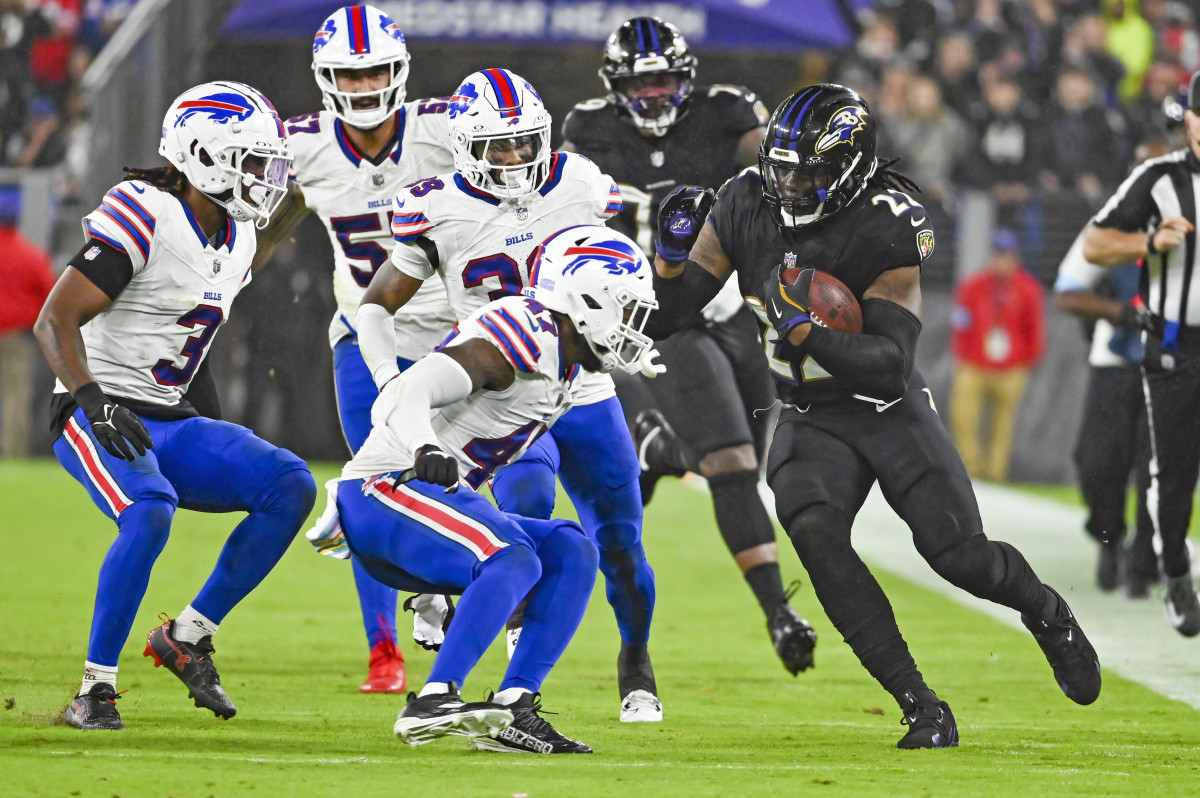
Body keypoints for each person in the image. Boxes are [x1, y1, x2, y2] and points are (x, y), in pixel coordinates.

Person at [646, 83, 1102, 748]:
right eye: (783, 169)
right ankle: (921, 705)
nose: (791, 185)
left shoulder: (887, 217)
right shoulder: (746, 198)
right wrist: (668, 258)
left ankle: (1046, 611)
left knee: (959, 557)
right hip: (807, 412)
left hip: (886, 409)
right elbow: (671, 313)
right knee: (816, 536)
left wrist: (805, 335)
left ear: (852, 169)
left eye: (810, 173)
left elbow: (891, 358)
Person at [357, 67, 666, 722]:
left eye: (525, 142)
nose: (515, 156)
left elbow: (638, 237)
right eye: (499, 145)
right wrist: (391, 379)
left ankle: (635, 657)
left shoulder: (578, 180)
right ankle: (520, 688)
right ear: (466, 145)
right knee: (523, 508)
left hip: (583, 385)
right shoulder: (436, 204)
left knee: (621, 541)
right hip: (504, 388)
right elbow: (377, 305)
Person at [306, 225, 658, 753]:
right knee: (515, 557)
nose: (632, 327)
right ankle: (434, 698)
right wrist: (426, 447)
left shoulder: (568, 361)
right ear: (586, 304)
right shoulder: (521, 336)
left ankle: (514, 708)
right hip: (386, 491)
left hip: (428, 511)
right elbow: (403, 391)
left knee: (570, 549)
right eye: (625, 310)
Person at [33, 81, 317, 730]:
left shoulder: (236, 235)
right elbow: (54, 321)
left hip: (167, 413)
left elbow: (233, 269)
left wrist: (304, 199)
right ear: (203, 156)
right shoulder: (145, 212)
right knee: (150, 509)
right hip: (95, 407)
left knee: (290, 485)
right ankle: (94, 692)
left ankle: (187, 636)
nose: (261, 177)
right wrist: (92, 400)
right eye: (250, 162)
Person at [560, 16, 816, 676]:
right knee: (728, 462)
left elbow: (781, 186)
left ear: (688, 78)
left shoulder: (728, 113)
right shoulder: (587, 131)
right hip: (651, 310)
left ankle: (644, 470)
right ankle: (774, 612)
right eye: (640, 86)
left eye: (665, 82)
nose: (653, 97)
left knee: (732, 470)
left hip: (729, 307)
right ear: (616, 87)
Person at [254, 4, 459, 695]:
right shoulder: (303, 146)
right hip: (364, 335)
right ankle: (382, 649)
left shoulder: (445, 130)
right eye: (350, 73)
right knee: (370, 485)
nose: (366, 85)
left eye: (375, 70)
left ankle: (443, 584)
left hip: (460, 335)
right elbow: (265, 220)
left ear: (400, 71)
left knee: (481, 473)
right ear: (324, 78)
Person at [1081, 70, 1200, 637]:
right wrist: (1149, 241)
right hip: (1176, 342)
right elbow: (1095, 242)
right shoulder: (1159, 177)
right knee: (1173, 473)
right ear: (1188, 119)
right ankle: (1175, 570)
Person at [1054, 234, 1157, 596]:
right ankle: (1109, 536)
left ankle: (1146, 559)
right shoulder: (1109, 230)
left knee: (1158, 472)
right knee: (1095, 464)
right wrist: (1119, 312)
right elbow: (1067, 293)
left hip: (1170, 368)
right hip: (1113, 364)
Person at [949, 229, 1046, 483]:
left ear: (1016, 258)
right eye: (997, 254)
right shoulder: (973, 286)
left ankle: (994, 477)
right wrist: (966, 357)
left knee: (1001, 427)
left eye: (1007, 255)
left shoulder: (1028, 289)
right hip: (974, 365)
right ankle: (971, 473)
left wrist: (1024, 362)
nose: (1001, 261)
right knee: (963, 418)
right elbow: (961, 324)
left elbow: (1034, 331)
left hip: (1011, 369)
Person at [0, 185, 56, 456]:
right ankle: (12, 455)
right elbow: (51, 297)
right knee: (15, 397)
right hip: (16, 338)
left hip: (14, 335)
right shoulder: (31, 255)